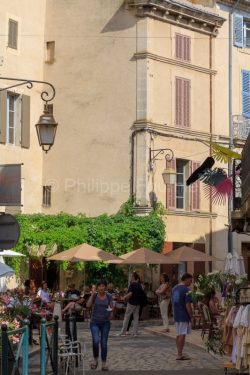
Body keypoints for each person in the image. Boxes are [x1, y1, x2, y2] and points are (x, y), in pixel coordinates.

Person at [86, 280, 113, 371]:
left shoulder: (109, 296)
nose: (101, 288)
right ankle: (95, 360)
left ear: (105, 287)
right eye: (100, 286)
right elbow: (88, 305)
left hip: (105, 322)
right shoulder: (94, 296)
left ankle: (104, 363)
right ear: (97, 287)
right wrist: (92, 294)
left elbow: (111, 307)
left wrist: (110, 313)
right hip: (95, 322)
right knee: (95, 341)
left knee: (104, 343)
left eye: (103, 286)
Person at [172, 273, 193, 360]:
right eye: (190, 280)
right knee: (182, 335)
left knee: (178, 334)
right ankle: (179, 354)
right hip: (183, 314)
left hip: (176, 314)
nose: (191, 283)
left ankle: (178, 352)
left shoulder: (174, 288)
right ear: (186, 279)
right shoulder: (186, 290)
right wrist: (191, 316)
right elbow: (188, 305)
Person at [116, 272, 143, 337]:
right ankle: (135, 333)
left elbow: (130, 293)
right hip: (138, 303)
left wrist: (124, 297)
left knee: (127, 317)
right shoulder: (139, 285)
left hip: (131, 303)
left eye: (131, 276)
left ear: (133, 277)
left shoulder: (132, 284)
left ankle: (123, 332)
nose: (130, 278)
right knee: (136, 317)